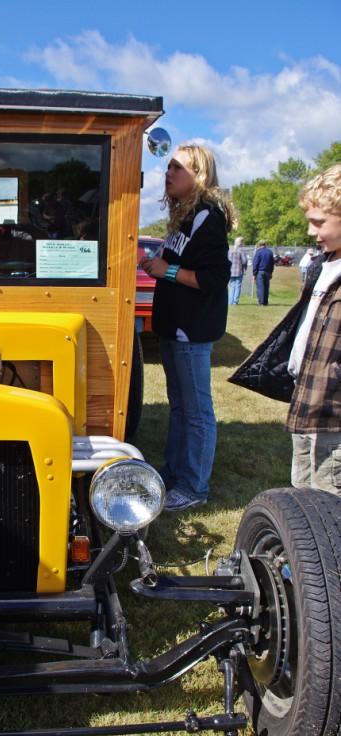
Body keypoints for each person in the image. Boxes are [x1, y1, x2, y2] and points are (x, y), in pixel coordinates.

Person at [229, 164, 341, 495]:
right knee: (303, 499)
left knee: (329, 499)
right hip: (307, 401)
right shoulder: (324, 265)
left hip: (334, 415)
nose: (310, 231)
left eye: (319, 222)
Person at [140, 144, 234, 511]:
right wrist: (157, 264)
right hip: (173, 328)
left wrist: (169, 271)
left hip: (191, 333)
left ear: (199, 175)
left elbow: (215, 277)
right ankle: (173, 473)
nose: (168, 173)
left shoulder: (208, 217)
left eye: (177, 168)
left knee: (197, 412)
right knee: (179, 407)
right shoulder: (186, 216)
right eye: (168, 167)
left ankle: (194, 487)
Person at [252, 239, 274, 305]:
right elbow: (272, 263)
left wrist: (254, 273)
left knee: (260, 287)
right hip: (267, 272)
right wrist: (271, 272)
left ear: (259, 245)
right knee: (266, 287)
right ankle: (265, 302)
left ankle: (261, 302)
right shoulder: (270, 252)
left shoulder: (258, 252)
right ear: (265, 244)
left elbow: (255, 263)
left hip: (260, 272)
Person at [228, 236, 247, 305]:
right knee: (238, 285)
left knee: (231, 286)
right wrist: (245, 268)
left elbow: (228, 260)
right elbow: (244, 261)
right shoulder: (241, 250)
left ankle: (230, 301)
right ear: (241, 243)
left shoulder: (230, 249)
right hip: (239, 271)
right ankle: (235, 301)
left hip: (230, 271)